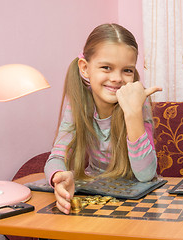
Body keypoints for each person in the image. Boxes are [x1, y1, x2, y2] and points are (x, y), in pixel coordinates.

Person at [44, 23, 162, 214]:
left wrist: (132, 113)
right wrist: (59, 176)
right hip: (94, 191)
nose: (117, 78)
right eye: (106, 67)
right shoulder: (78, 101)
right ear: (84, 68)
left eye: (127, 70)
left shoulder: (138, 100)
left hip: (139, 196)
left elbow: (146, 175)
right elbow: (57, 156)